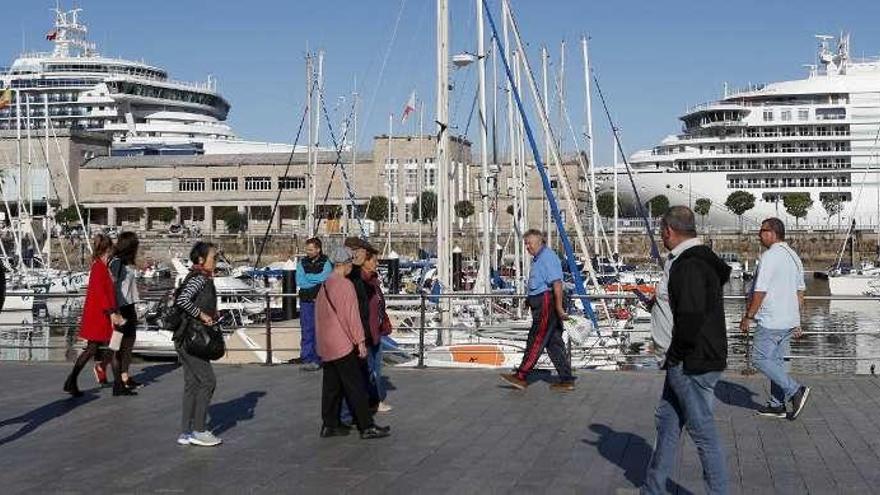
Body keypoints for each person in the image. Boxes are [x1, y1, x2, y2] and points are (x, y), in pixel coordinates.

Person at [642, 206, 729, 495]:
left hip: (690, 362)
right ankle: (653, 488)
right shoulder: (692, 259)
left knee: (703, 433)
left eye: (661, 231)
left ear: (668, 230)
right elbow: (682, 306)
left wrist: (676, 356)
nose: (661, 236)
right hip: (684, 360)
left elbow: (691, 315)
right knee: (667, 423)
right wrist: (655, 307)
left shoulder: (689, 264)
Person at [316, 247, 390, 440]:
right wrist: (360, 342)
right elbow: (352, 318)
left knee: (331, 386)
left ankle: (329, 424)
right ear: (343, 264)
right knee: (355, 385)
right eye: (350, 262)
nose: (351, 266)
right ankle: (366, 426)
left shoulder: (325, 285)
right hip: (343, 344)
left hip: (327, 344)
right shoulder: (345, 285)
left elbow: (320, 317)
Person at [741, 217, 811, 420]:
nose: (758, 235)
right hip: (788, 320)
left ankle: (795, 390)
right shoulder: (793, 256)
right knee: (777, 363)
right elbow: (800, 291)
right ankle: (777, 404)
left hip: (771, 319)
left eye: (762, 231)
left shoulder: (770, 256)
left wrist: (749, 316)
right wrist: (797, 320)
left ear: (772, 233)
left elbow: (760, 290)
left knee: (760, 359)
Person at [499, 229, 574, 391]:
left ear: (539, 242)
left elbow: (557, 284)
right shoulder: (538, 259)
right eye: (525, 243)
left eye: (529, 243)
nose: (527, 247)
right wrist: (529, 299)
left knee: (536, 339)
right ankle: (566, 379)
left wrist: (560, 308)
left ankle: (521, 376)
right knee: (553, 343)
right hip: (540, 302)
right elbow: (537, 283)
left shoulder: (548, 257)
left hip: (546, 303)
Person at [64, 234, 130, 397]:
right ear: (108, 250)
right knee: (114, 348)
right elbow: (101, 294)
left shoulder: (99, 267)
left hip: (98, 314)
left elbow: (101, 292)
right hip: (103, 315)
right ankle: (118, 386)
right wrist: (112, 313)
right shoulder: (99, 268)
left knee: (92, 349)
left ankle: (71, 381)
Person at [173, 241, 222, 447]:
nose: (216, 262)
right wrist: (202, 315)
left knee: (192, 383)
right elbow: (183, 300)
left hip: (183, 337)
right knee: (208, 381)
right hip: (192, 338)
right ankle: (199, 430)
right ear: (201, 260)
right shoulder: (200, 279)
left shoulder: (195, 277)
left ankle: (186, 431)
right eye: (214, 258)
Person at [108, 231, 141, 390]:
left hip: (130, 305)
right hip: (120, 308)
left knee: (129, 343)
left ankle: (125, 375)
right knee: (117, 346)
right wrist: (114, 311)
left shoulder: (127, 263)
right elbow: (112, 286)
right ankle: (117, 381)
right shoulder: (116, 263)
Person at [361, 251, 393, 412]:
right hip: (367, 332)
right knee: (369, 368)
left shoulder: (374, 282)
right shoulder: (362, 283)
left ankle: (375, 400)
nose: (377, 263)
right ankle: (370, 401)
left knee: (376, 368)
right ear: (365, 262)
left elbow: (379, 305)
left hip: (377, 330)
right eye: (374, 261)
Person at [295, 237, 332, 371]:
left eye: (311, 249)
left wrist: (309, 277)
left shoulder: (326, 262)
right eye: (307, 249)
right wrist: (316, 279)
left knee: (320, 330)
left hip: (321, 300)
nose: (308, 252)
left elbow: (325, 277)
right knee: (307, 329)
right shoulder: (302, 263)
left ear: (318, 249)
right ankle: (307, 358)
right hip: (306, 301)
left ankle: (319, 358)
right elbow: (300, 281)